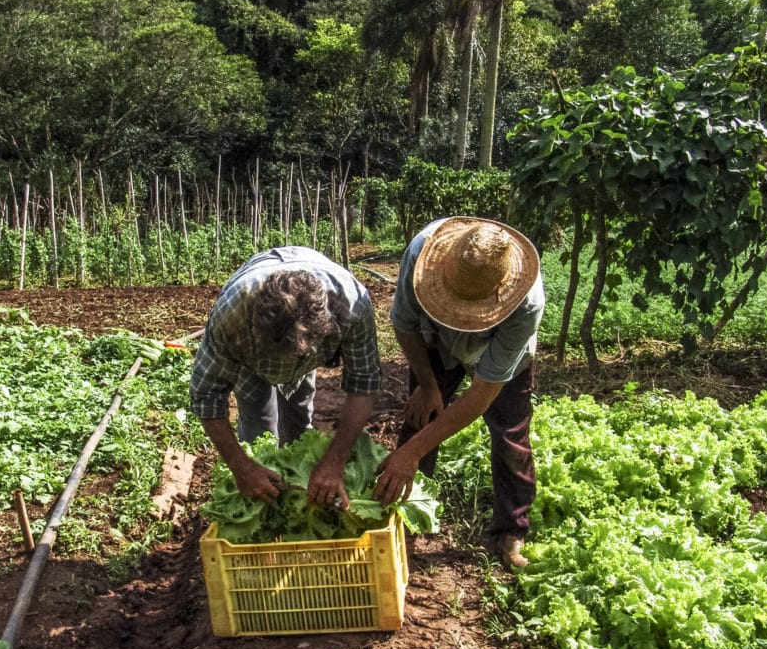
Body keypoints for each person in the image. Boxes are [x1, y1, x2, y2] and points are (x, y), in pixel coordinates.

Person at [374, 216, 545, 569]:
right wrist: (427, 383)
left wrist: (411, 453)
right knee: (419, 418)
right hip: (436, 340)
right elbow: (404, 324)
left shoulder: (525, 302)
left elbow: (482, 394)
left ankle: (510, 533)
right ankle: (404, 521)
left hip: (500, 347)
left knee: (511, 435)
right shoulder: (420, 254)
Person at [190, 246, 381, 509]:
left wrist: (334, 461)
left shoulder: (352, 305)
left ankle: (300, 497)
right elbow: (206, 395)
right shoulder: (233, 315)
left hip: (309, 349)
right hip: (251, 364)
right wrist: (242, 467)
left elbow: (364, 382)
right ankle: (266, 506)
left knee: (300, 421)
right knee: (259, 432)